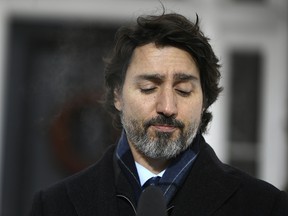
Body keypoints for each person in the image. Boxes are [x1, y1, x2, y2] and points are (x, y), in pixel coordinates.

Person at [30, 12, 288, 216]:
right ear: (118, 96)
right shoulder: (54, 205)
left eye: (184, 90)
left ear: (205, 101)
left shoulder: (264, 206)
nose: (167, 106)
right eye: (149, 88)